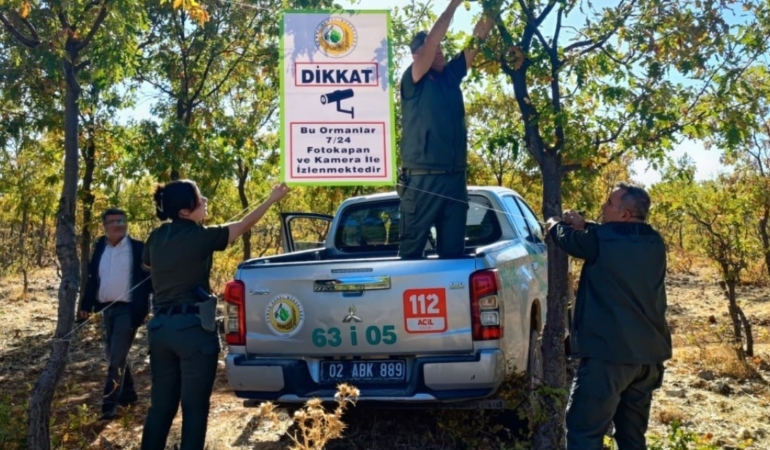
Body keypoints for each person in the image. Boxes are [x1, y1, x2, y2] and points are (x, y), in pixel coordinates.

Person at [140, 179, 290, 450]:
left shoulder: (156, 236)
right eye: (200, 199)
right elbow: (243, 225)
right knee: (195, 408)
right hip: (193, 331)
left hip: (160, 329)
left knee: (161, 407)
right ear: (185, 211)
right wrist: (271, 200)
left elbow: (146, 263)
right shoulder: (200, 236)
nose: (205, 201)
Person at [546, 182, 672, 450]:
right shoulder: (654, 241)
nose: (603, 207)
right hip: (648, 358)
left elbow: (570, 240)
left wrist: (554, 224)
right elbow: (612, 238)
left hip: (609, 356)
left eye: (609, 204)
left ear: (624, 214)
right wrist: (586, 224)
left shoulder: (599, 241)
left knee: (584, 432)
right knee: (631, 438)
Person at [397, 0, 496, 259]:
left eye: (441, 49)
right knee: (410, 255)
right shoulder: (413, 80)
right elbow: (430, 43)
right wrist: (454, 5)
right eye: (433, 50)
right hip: (422, 180)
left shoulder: (450, 76)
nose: (439, 53)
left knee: (453, 255)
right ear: (417, 56)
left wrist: (493, 8)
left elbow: (478, 40)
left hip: (454, 179)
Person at [78, 208, 152, 421]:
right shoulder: (100, 247)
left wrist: (155, 306)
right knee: (114, 354)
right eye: (113, 222)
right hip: (106, 308)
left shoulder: (138, 247)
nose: (118, 224)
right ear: (104, 226)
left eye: (122, 220)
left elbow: (150, 280)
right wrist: (86, 304)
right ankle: (128, 394)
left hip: (129, 310)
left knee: (115, 357)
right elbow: (93, 278)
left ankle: (108, 405)